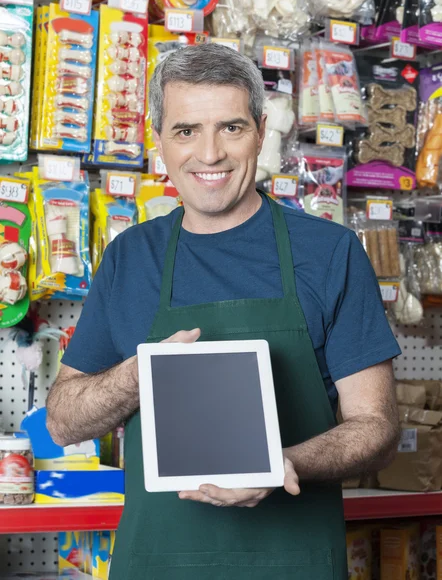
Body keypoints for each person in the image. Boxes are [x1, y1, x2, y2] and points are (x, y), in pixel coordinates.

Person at [47, 44, 401, 579]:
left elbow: (377, 427)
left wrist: (284, 464)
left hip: (292, 563)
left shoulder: (330, 251)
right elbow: (62, 421)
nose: (209, 154)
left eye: (231, 128)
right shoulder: (130, 256)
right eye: (186, 130)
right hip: (158, 564)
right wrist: (136, 378)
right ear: (159, 139)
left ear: (261, 131)